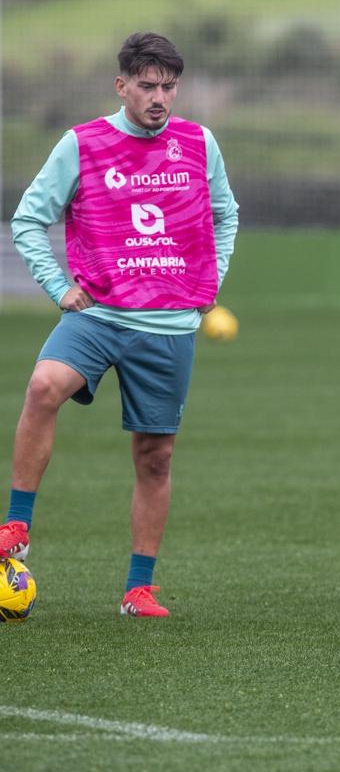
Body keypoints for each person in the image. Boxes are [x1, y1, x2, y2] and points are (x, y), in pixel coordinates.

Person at [1, 32, 239, 618]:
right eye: (148, 85)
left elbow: (226, 215)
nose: (160, 97)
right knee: (42, 386)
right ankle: (16, 527)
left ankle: (139, 588)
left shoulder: (198, 142)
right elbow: (28, 220)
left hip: (169, 325)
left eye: (169, 86)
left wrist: (211, 281)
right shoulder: (82, 144)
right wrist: (59, 288)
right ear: (122, 85)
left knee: (155, 457)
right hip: (98, 314)